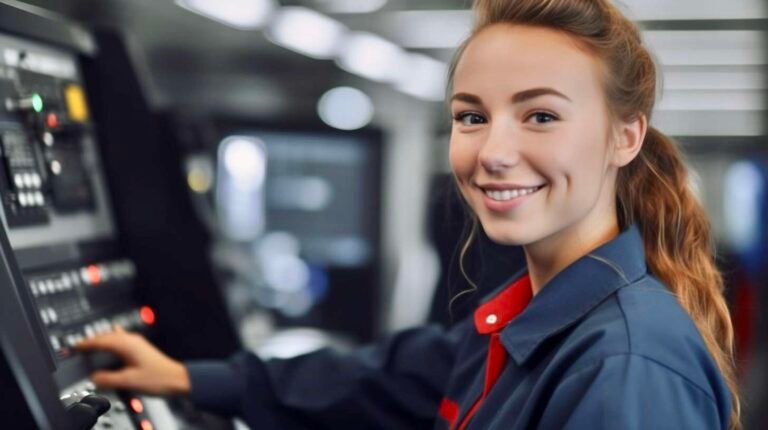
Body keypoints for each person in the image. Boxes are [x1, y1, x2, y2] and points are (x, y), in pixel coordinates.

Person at [77, 0, 740, 428]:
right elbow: (379, 379)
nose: (494, 153)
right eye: (471, 117)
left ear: (625, 136)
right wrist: (187, 378)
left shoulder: (622, 368)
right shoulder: (520, 322)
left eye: (540, 116)